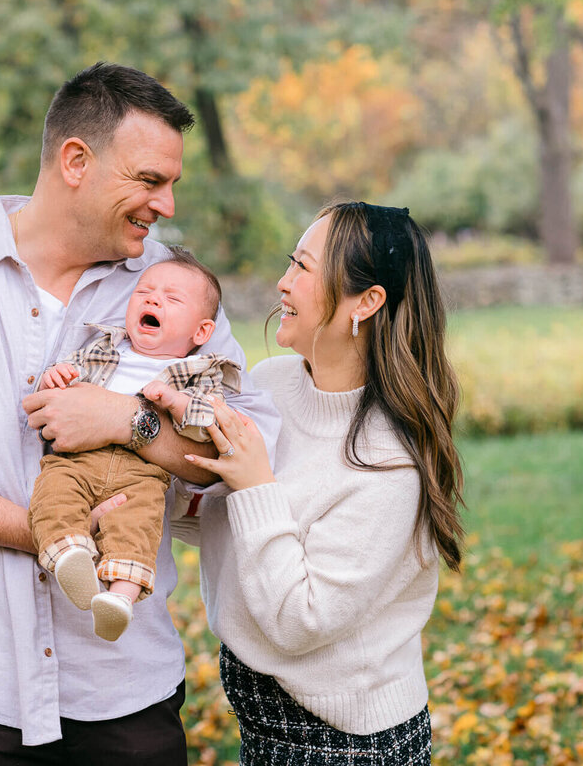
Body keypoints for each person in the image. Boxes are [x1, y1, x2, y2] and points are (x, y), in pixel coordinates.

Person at [0, 62, 279, 765]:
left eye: (172, 184)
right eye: (149, 181)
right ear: (75, 161)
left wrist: (127, 422)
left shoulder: (174, 289)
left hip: (125, 684)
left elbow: (247, 446)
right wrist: (61, 537)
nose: (166, 204)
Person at [178, 201, 465, 765]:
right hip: (262, 719)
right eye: (291, 263)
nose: (282, 283)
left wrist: (255, 484)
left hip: (346, 742)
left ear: (367, 301)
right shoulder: (272, 384)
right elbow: (230, 528)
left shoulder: (389, 465)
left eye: (304, 268)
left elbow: (297, 620)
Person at [30, 248, 239, 643]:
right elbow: (69, 388)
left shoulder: (199, 373)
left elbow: (212, 424)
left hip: (143, 474)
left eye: (172, 299)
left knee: (138, 525)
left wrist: (177, 403)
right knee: (53, 493)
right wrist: (57, 377)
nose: (153, 300)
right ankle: (70, 553)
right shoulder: (105, 347)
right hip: (77, 459)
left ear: (201, 332)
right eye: (144, 292)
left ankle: (120, 600)